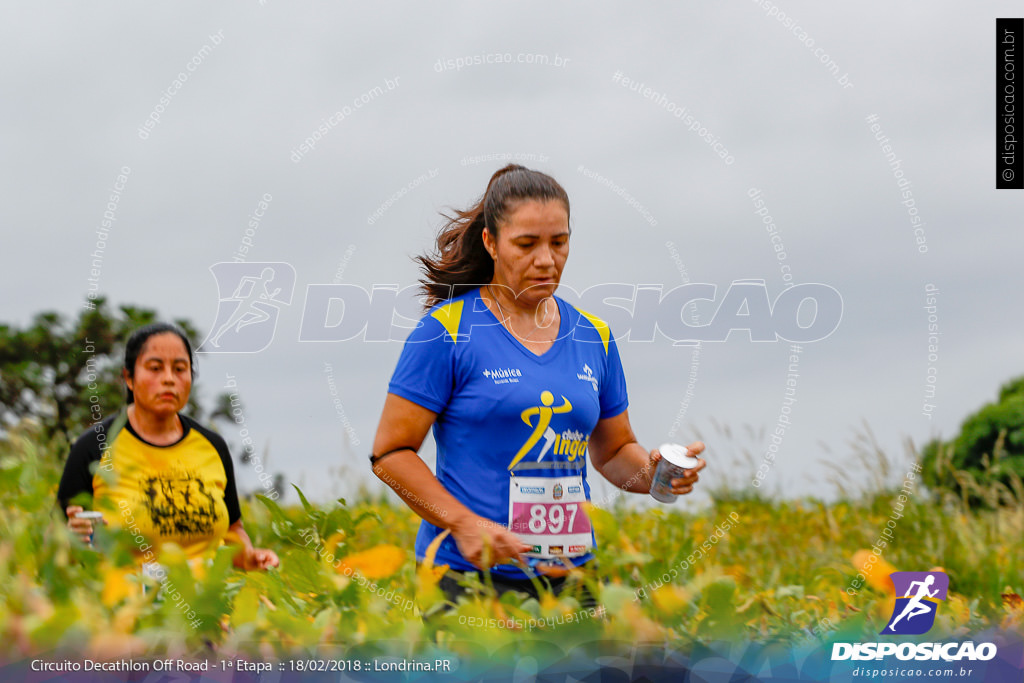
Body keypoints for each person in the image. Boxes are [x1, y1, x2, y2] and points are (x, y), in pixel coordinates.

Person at [371, 164, 706, 607]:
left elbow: (613, 452)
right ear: (491, 242)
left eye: (559, 242)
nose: (546, 259)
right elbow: (389, 454)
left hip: (572, 578)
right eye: (527, 244)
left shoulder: (594, 336)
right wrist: (462, 523)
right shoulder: (446, 331)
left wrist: (654, 474)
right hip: (466, 578)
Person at [57, 322, 278, 571]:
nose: (169, 379)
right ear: (129, 378)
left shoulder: (212, 446)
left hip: (207, 602)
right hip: (126, 605)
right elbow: (59, 548)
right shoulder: (93, 448)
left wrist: (250, 557)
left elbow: (232, 529)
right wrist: (70, 539)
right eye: (155, 368)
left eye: (180, 369)